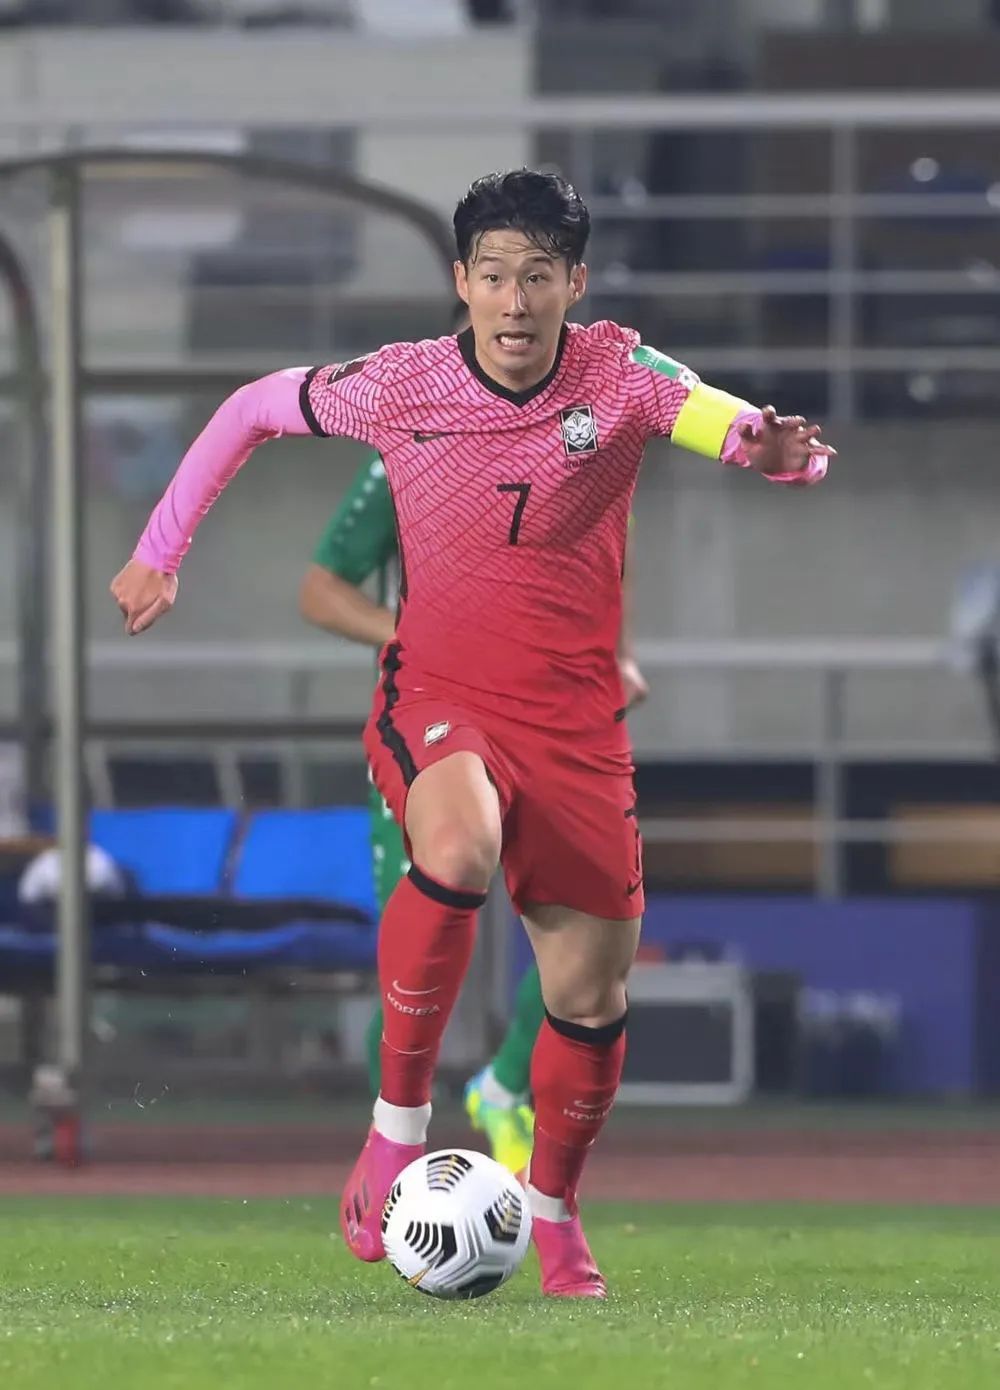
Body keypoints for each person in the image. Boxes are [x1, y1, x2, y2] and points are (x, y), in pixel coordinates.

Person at [111, 168, 833, 1298]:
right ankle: (394, 1132)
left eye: (538, 276)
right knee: (456, 850)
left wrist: (774, 450)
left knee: (588, 999)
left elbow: (717, 418)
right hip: (440, 693)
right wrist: (161, 548)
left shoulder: (620, 373)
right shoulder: (401, 384)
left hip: (577, 723)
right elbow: (253, 406)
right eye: (493, 275)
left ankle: (553, 1212)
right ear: (461, 281)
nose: (514, 301)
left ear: (574, 285)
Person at [298, 339, 649, 1174]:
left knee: (587, 950)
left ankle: (504, 1086)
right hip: (436, 723)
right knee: (424, 926)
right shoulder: (414, 440)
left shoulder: (588, 437)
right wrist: (420, 637)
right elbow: (321, 589)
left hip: (551, 720)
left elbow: (602, 566)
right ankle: (395, 1156)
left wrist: (617, 658)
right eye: (494, 290)